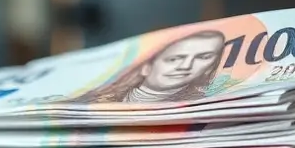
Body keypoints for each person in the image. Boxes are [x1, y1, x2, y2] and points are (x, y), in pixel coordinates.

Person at [76, 29, 226, 104]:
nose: (186, 66)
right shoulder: (95, 99)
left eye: (203, 57)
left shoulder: (203, 103)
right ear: (145, 67)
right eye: (174, 59)